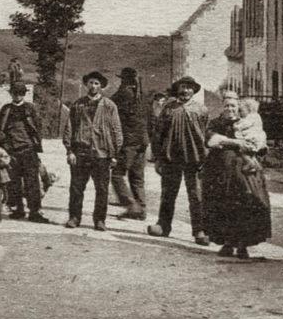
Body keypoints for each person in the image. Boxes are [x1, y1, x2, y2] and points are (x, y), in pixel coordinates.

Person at [203, 95, 272, 259]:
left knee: (246, 203)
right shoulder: (216, 123)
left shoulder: (247, 122)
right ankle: (227, 243)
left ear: (238, 108)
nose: (230, 109)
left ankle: (243, 245)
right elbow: (210, 140)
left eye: (233, 106)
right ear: (222, 106)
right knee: (223, 204)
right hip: (221, 171)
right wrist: (236, 143)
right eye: (227, 106)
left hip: (245, 172)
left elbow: (259, 142)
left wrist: (257, 146)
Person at [147, 76, 210, 246]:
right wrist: (158, 158)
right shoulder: (169, 108)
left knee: (196, 196)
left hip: (195, 159)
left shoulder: (201, 110)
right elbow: (158, 134)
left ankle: (199, 230)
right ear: (178, 89)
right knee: (168, 194)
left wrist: (206, 157)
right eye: (183, 87)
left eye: (189, 87)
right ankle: (163, 225)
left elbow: (207, 136)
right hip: (171, 158)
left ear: (194, 90)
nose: (185, 91)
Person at [61, 71, 123, 231]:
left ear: (101, 86)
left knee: (102, 189)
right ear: (86, 84)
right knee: (76, 187)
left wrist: (115, 154)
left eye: (96, 83)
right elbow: (69, 127)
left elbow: (116, 130)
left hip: (101, 154)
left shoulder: (109, 106)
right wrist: (70, 151)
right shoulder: (78, 104)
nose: (93, 86)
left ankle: (100, 220)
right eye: (90, 83)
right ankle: (74, 217)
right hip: (80, 152)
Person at [0, 82, 50, 223]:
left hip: (28, 150)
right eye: (15, 92)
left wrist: (35, 144)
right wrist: (4, 147)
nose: (17, 95)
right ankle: (18, 209)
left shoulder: (30, 109)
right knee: (13, 182)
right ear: (11, 93)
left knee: (32, 182)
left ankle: (35, 212)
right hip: (11, 151)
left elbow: (38, 128)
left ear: (24, 94)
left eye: (20, 93)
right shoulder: (6, 109)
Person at [110, 67, 149, 220]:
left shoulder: (123, 93)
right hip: (142, 141)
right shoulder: (143, 96)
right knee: (137, 177)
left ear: (124, 80)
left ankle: (131, 205)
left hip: (128, 142)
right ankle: (142, 209)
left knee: (117, 175)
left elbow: (109, 103)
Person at [234, 98, 267, 174]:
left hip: (252, 139)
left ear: (249, 109)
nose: (240, 113)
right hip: (258, 139)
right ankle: (256, 166)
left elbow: (244, 125)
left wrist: (236, 125)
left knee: (242, 151)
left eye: (241, 111)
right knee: (251, 154)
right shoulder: (256, 116)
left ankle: (250, 163)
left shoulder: (251, 117)